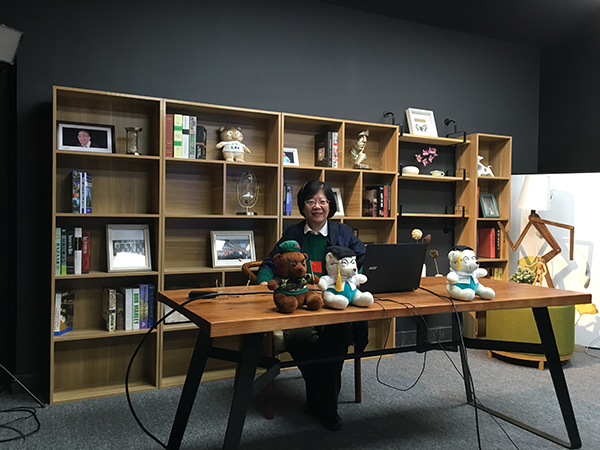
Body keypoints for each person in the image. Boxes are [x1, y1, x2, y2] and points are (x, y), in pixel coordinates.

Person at [257, 180, 368, 431]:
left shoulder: (344, 232)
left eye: (322, 201)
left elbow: (363, 259)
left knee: (340, 334)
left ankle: (322, 405)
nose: (317, 207)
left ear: (330, 205)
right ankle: (324, 403)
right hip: (301, 305)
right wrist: (263, 282)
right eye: (311, 201)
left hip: (338, 304)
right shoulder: (293, 234)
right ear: (303, 206)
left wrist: (355, 278)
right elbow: (271, 263)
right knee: (300, 337)